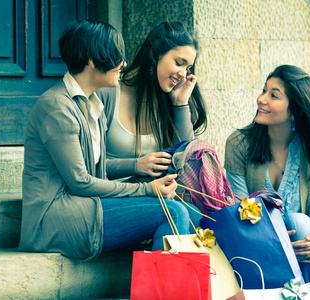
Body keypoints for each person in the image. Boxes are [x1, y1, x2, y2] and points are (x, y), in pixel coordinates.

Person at [19, 19, 199, 261]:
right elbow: (81, 182)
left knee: (187, 209)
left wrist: (140, 171)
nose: (123, 64)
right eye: (116, 57)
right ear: (93, 61)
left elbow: (97, 169)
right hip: (54, 218)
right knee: (172, 212)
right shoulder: (57, 107)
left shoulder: (90, 103)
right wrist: (146, 190)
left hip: (85, 206)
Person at [224, 65, 310, 292]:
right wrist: (276, 241)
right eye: (263, 91)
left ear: (294, 111)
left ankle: (306, 296)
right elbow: (236, 210)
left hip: (302, 253)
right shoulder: (239, 144)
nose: (261, 99)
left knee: (301, 224)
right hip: (255, 248)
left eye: (273, 95)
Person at [97, 22, 207, 181]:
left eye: (187, 68)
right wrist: (136, 165)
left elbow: (185, 165)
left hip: (154, 195)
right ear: (155, 54)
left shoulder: (167, 99)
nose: (183, 74)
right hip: (108, 196)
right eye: (179, 63)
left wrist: (180, 103)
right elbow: (86, 167)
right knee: (176, 208)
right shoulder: (108, 92)